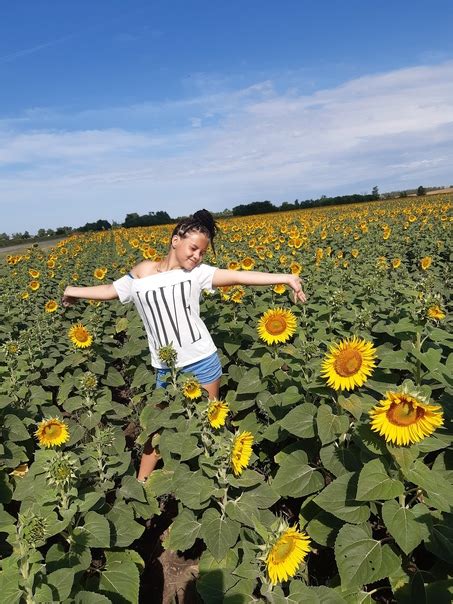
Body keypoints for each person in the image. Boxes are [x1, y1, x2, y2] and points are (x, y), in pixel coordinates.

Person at [62, 209, 306, 482]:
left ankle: (218, 480)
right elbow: (108, 291)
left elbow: (239, 276)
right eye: (193, 248)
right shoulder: (142, 272)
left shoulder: (197, 274)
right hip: (166, 369)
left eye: (202, 253)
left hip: (203, 361)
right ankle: (142, 486)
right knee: (156, 432)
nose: (196, 256)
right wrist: (72, 290)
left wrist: (286, 277)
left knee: (209, 424)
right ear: (175, 239)